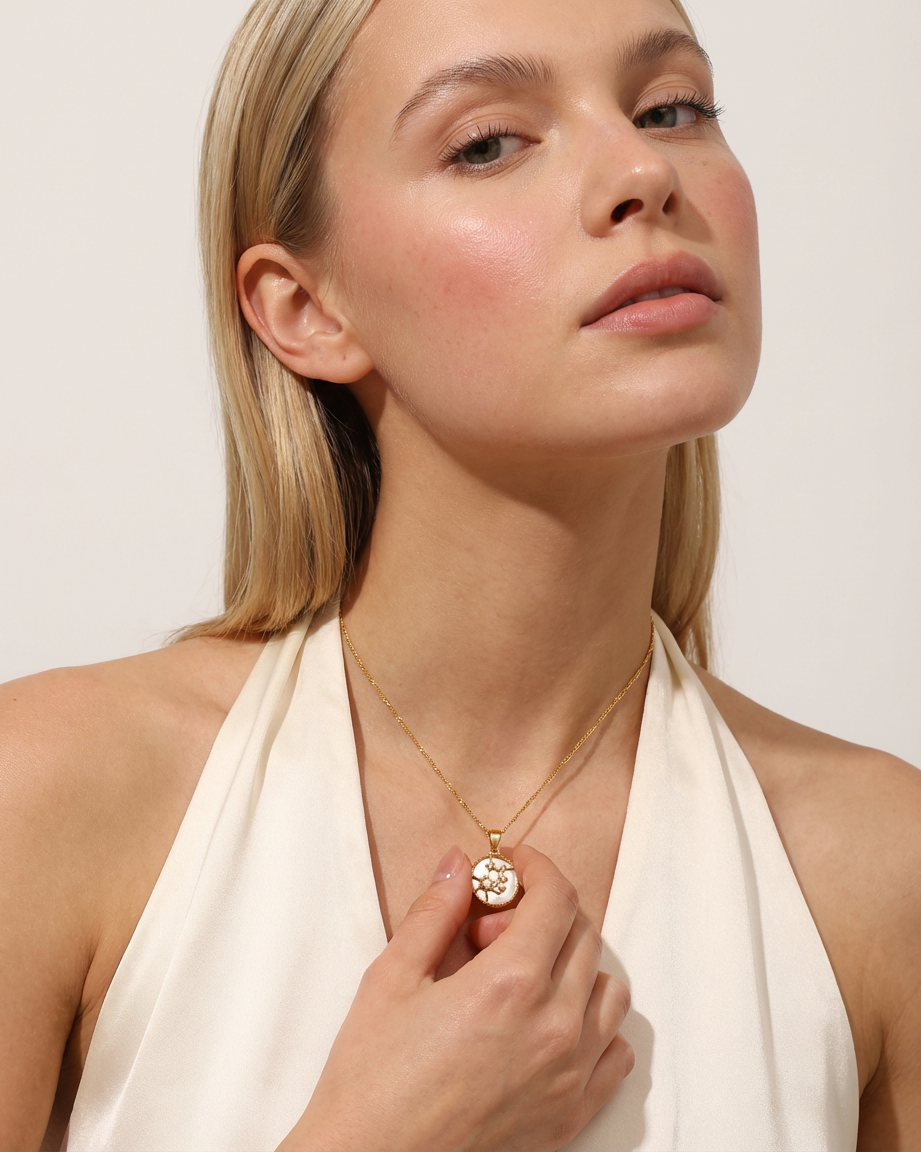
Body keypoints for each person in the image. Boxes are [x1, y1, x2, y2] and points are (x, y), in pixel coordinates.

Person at [1, 0, 919, 1147]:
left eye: (671, 108)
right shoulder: (47, 800)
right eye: (487, 142)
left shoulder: (880, 870)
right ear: (305, 308)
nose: (645, 172)